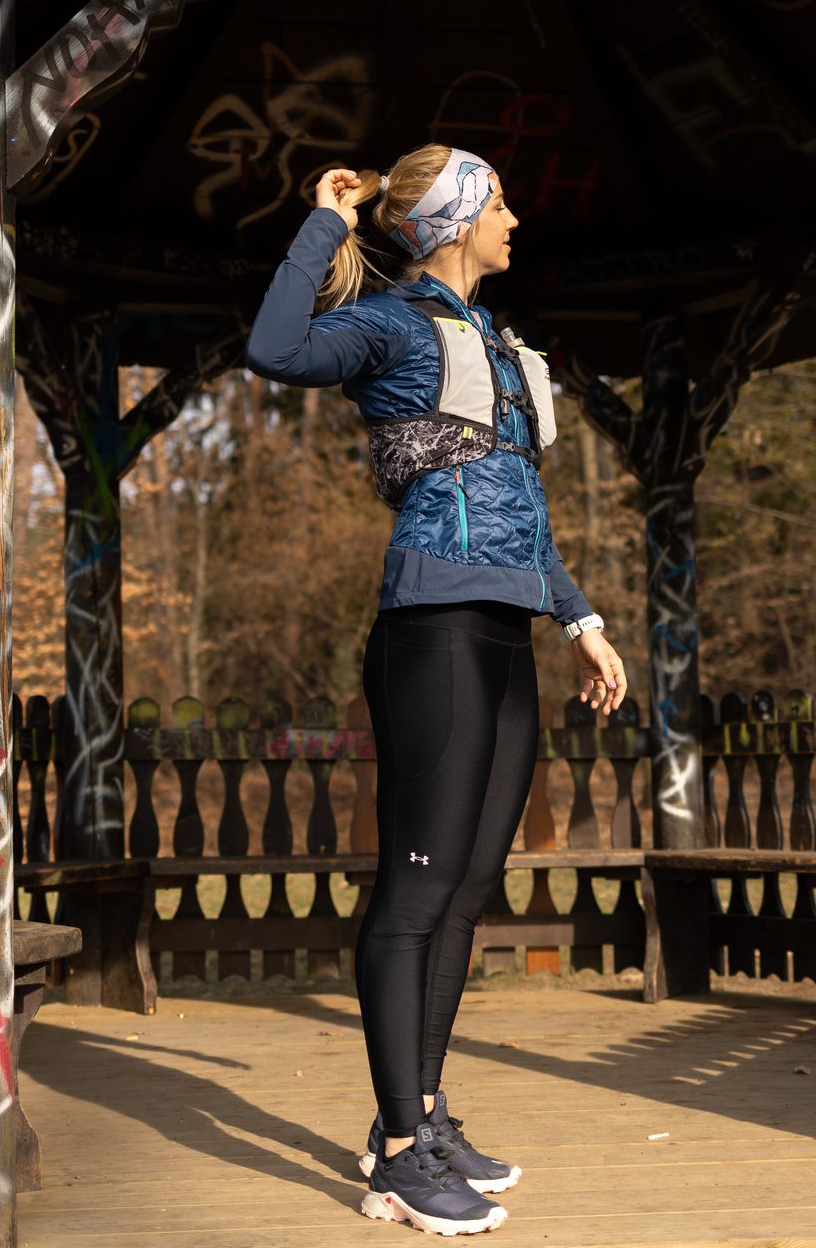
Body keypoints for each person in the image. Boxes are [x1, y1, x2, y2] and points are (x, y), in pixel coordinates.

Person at [245, 144, 628, 1236]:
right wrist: (326, 221)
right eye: (501, 200)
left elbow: (515, 501)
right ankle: (403, 1156)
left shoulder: (496, 349)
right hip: (432, 628)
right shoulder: (394, 326)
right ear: (457, 221)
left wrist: (582, 620)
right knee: (413, 893)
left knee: (465, 890)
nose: (517, 217)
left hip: (505, 628)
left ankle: (421, 1113)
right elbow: (272, 346)